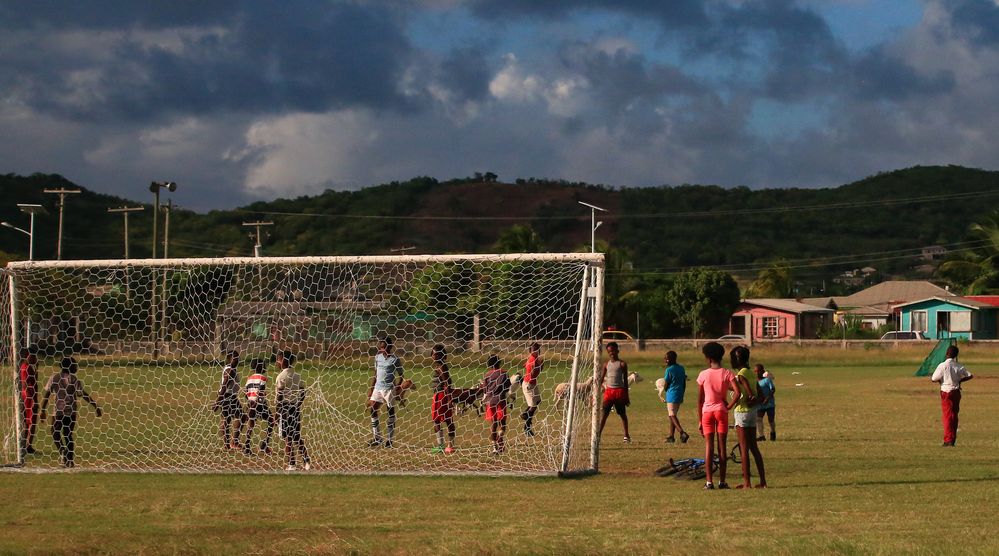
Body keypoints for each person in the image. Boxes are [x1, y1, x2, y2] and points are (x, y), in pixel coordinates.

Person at [39, 356, 102, 468]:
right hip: (71, 411)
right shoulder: (73, 379)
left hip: (58, 411)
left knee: (55, 432)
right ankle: (70, 460)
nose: (76, 367)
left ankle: (63, 452)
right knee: (68, 434)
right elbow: (83, 394)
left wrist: (43, 410)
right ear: (69, 367)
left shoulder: (54, 377)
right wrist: (95, 405)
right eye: (74, 365)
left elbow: (47, 395)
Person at [696, 341, 737, 490]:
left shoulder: (703, 374)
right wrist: (729, 406)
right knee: (722, 448)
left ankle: (709, 482)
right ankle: (722, 481)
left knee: (709, 447)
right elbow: (737, 392)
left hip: (707, 412)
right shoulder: (727, 373)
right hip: (721, 411)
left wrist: (700, 420)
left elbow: (700, 400)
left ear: (708, 358)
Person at [730, 346, 767, 489]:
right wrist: (754, 399)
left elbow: (745, 392)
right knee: (754, 448)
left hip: (742, 412)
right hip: (752, 413)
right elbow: (762, 396)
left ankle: (746, 483)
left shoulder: (741, 374)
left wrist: (749, 397)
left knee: (743, 449)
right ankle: (763, 481)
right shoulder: (751, 372)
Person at [931, 345, 973, 447]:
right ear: (956, 355)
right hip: (956, 392)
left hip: (946, 391)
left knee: (947, 416)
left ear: (946, 354)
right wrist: (960, 381)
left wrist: (941, 381)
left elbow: (934, 378)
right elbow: (970, 375)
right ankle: (952, 438)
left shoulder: (942, 365)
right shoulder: (958, 366)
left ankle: (948, 440)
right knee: (954, 415)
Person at [275, 350, 310, 471]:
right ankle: (306, 461)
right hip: (295, 409)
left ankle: (292, 464)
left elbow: (279, 396)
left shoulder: (281, 377)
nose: (277, 362)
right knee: (296, 436)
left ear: (283, 361)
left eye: (278, 359)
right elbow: (302, 391)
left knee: (287, 438)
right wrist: (298, 404)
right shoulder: (297, 375)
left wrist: (277, 413)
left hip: (284, 409)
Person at [368, 337, 403, 448]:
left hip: (389, 389)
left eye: (385, 347)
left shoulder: (395, 359)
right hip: (378, 388)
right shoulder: (377, 358)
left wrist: (397, 387)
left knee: (390, 412)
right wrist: (371, 388)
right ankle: (377, 438)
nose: (383, 349)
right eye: (381, 347)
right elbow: (375, 374)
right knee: (373, 409)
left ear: (390, 347)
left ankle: (389, 440)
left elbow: (401, 375)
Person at [211, 350, 245, 451]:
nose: (237, 360)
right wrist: (218, 401)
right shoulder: (230, 370)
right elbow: (224, 385)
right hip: (227, 396)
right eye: (235, 358)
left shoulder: (231, 369)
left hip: (229, 396)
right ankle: (233, 442)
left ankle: (228, 444)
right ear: (229, 359)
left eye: (238, 358)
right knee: (240, 417)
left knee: (228, 419)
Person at [597, 342, 631, 443]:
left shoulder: (622, 364)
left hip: (619, 392)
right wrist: (596, 390)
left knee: (622, 414)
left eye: (613, 351)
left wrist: (626, 396)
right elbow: (602, 378)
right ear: (607, 352)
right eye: (609, 351)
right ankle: (598, 435)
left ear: (617, 351)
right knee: (604, 414)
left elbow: (625, 380)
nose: (611, 353)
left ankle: (626, 435)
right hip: (609, 392)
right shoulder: (606, 364)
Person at [243, 357, 275, 455]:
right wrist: (260, 397)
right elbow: (260, 390)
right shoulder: (263, 378)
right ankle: (264, 444)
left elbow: (245, 392)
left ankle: (247, 447)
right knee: (271, 421)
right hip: (260, 404)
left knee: (250, 425)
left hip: (250, 403)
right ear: (261, 367)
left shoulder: (249, 378)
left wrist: (250, 401)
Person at [481, 354, 511, 455]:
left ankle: (494, 448)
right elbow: (507, 388)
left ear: (489, 364)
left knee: (493, 424)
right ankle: (500, 438)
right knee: (502, 423)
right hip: (501, 400)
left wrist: (484, 400)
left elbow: (485, 390)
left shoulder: (487, 375)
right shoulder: (504, 373)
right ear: (499, 362)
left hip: (490, 401)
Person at [430, 344, 456, 454]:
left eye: (436, 354)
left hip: (441, 395)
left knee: (438, 420)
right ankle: (449, 445)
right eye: (433, 353)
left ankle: (442, 446)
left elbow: (447, 382)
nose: (433, 356)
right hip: (441, 395)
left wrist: (449, 398)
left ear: (442, 355)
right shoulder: (441, 366)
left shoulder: (441, 366)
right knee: (447, 420)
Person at [662, 350, 689, 444]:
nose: (665, 360)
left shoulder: (669, 370)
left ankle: (682, 433)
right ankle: (671, 437)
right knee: (673, 415)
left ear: (670, 359)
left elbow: (666, 383)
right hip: (679, 393)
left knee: (671, 415)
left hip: (671, 394)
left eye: (666, 358)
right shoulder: (681, 368)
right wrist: (682, 392)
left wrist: (664, 389)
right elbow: (684, 382)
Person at [18, 347, 39, 457]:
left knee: (29, 422)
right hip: (29, 398)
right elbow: (26, 385)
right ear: (28, 356)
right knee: (30, 422)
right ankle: (27, 446)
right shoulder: (26, 368)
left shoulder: (28, 367)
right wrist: (34, 400)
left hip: (29, 397)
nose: (36, 358)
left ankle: (26, 445)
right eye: (33, 356)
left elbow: (33, 382)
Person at [521, 342, 544, 437]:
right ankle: (527, 427)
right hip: (528, 384)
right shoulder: (533, 360)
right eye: (534, 349)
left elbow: (526, 366)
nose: (536, 351)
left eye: (537, 349)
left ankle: (525, 413)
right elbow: (533, 373)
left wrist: (540, 365)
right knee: (533, 405)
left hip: (533, 384)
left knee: (538, 401)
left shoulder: (535, 359)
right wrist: (536, 366)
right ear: (530, 351)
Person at [755, 363, 776, 442]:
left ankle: (773, 432)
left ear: (762, 371)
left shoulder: (766, 380)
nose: (756, 373)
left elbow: (773, 389)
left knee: (771, 420)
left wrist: (767, 398)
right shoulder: (755, 381)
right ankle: (761, 436)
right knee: (758, 419)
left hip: (769, 404)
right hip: (760, 404)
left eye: (758, 371)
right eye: (755, 371)